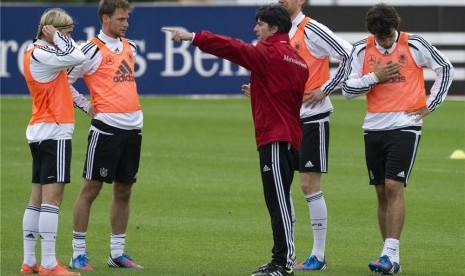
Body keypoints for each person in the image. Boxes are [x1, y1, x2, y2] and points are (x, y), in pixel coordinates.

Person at [163, 4, 308, 276]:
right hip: (288, 138)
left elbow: (232, 48)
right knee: (281, 199)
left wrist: (193, 37)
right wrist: (258, 94)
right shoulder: (297, 59)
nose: (255, 29)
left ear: (274, 28)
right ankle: (281, 258)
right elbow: (284, 98)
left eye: (260, 24)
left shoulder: (268, 53)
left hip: (275, 139)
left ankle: (283, 261)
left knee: (277, 201)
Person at [342, 3, 454, 274]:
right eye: (381, 38)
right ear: (372, 33)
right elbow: (347, 89)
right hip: (373, 127)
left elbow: (445, 68)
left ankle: (388, 253)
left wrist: (431, 103)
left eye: (390, 35)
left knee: (394, 186)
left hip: (405, 125)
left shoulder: (414, 44)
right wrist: (374, 77)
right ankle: (390, 258)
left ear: (395, 27)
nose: (387, 41)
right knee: (381, 191)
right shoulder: (361, 49)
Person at [68, 0, 143, 270]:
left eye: (126, 19)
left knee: (124, 190)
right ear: (105, 19)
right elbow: (64, 82)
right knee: (91, 189)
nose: (126, 23)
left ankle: (117, 253)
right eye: (121, 19)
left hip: (133, 128)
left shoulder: (130, 47)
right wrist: (86, 105)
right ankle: (78, 253)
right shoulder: (88, 50)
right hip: (106, 130)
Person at [20, 8, 85, 276]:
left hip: (40, 129)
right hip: (54, 130)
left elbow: (64, 80)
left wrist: (83, 104)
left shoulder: (34, 53)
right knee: (52, 200)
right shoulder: (44, 53)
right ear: (52, 31)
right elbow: (78, 56)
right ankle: (48, 264)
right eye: (67, 33)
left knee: (36, 198)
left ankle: (29, 261)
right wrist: (59, 38)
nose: (69, 38)